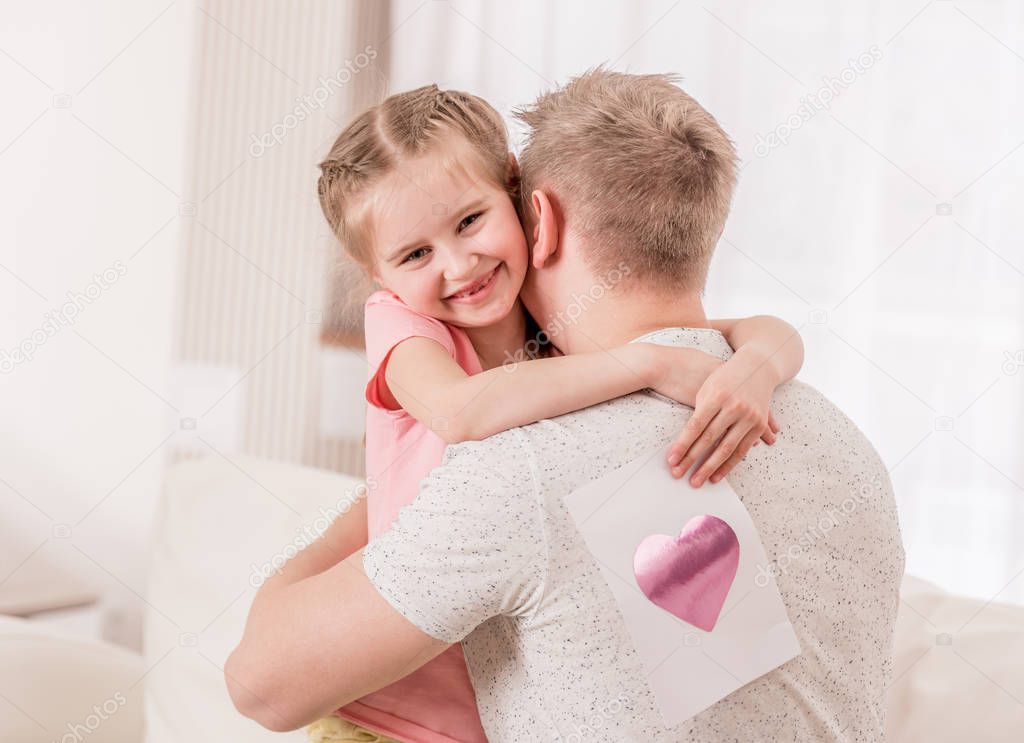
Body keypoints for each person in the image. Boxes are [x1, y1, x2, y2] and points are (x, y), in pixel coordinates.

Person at [226, 68, 905, 742]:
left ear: (533, 217)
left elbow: (257, 683)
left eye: (472, 221)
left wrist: (752, 362)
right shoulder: (847, 447)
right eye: (416, 253)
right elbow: (460, 411)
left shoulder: (532, 457)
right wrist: (723, 367)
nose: (460, 266)